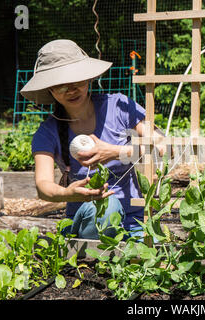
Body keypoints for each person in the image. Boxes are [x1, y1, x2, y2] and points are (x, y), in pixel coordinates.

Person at [20, 39, 166, 240]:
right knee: (109, 206)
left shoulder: (119, 107)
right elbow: (43, 186)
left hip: (135, 222)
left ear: (88, 78)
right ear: (50, 90)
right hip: (87, 225)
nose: (71, 90)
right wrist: (69, 194)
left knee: (159, 253)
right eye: (61, 86)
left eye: (77, 80)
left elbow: (163, 146)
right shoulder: (48, 131)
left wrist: (117, 152)